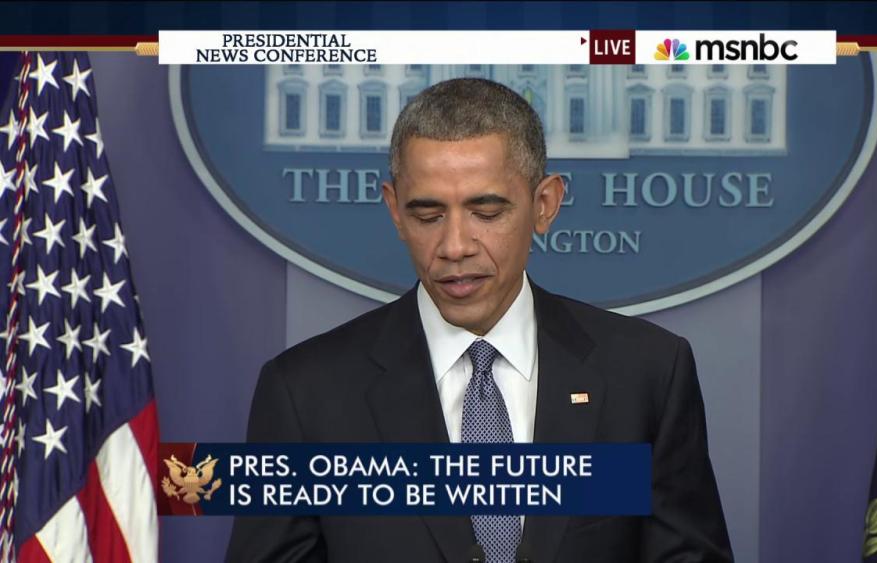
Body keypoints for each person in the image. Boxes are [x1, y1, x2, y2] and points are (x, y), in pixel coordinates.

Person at [226, 77, 733, 563]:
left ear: (544, 204)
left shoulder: (646, 373)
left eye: (486, 213)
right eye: (427, 215)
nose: (455, 246)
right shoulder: (304, 393)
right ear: (395, 211)